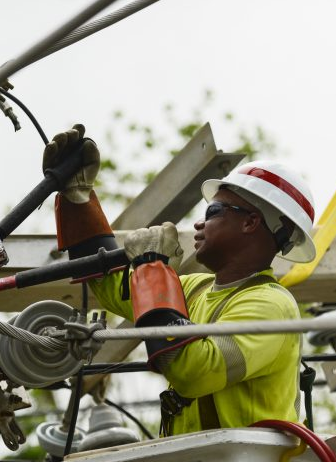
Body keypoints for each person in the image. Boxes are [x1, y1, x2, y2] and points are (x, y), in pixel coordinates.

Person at [44, 125, 317, 436]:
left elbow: (195, 370)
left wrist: (151, 267)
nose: (200, 222)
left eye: (214, 210)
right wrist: (77, 199)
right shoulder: (193, 289)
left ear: (251, 222)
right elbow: (110, 285)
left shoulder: (272, 305)